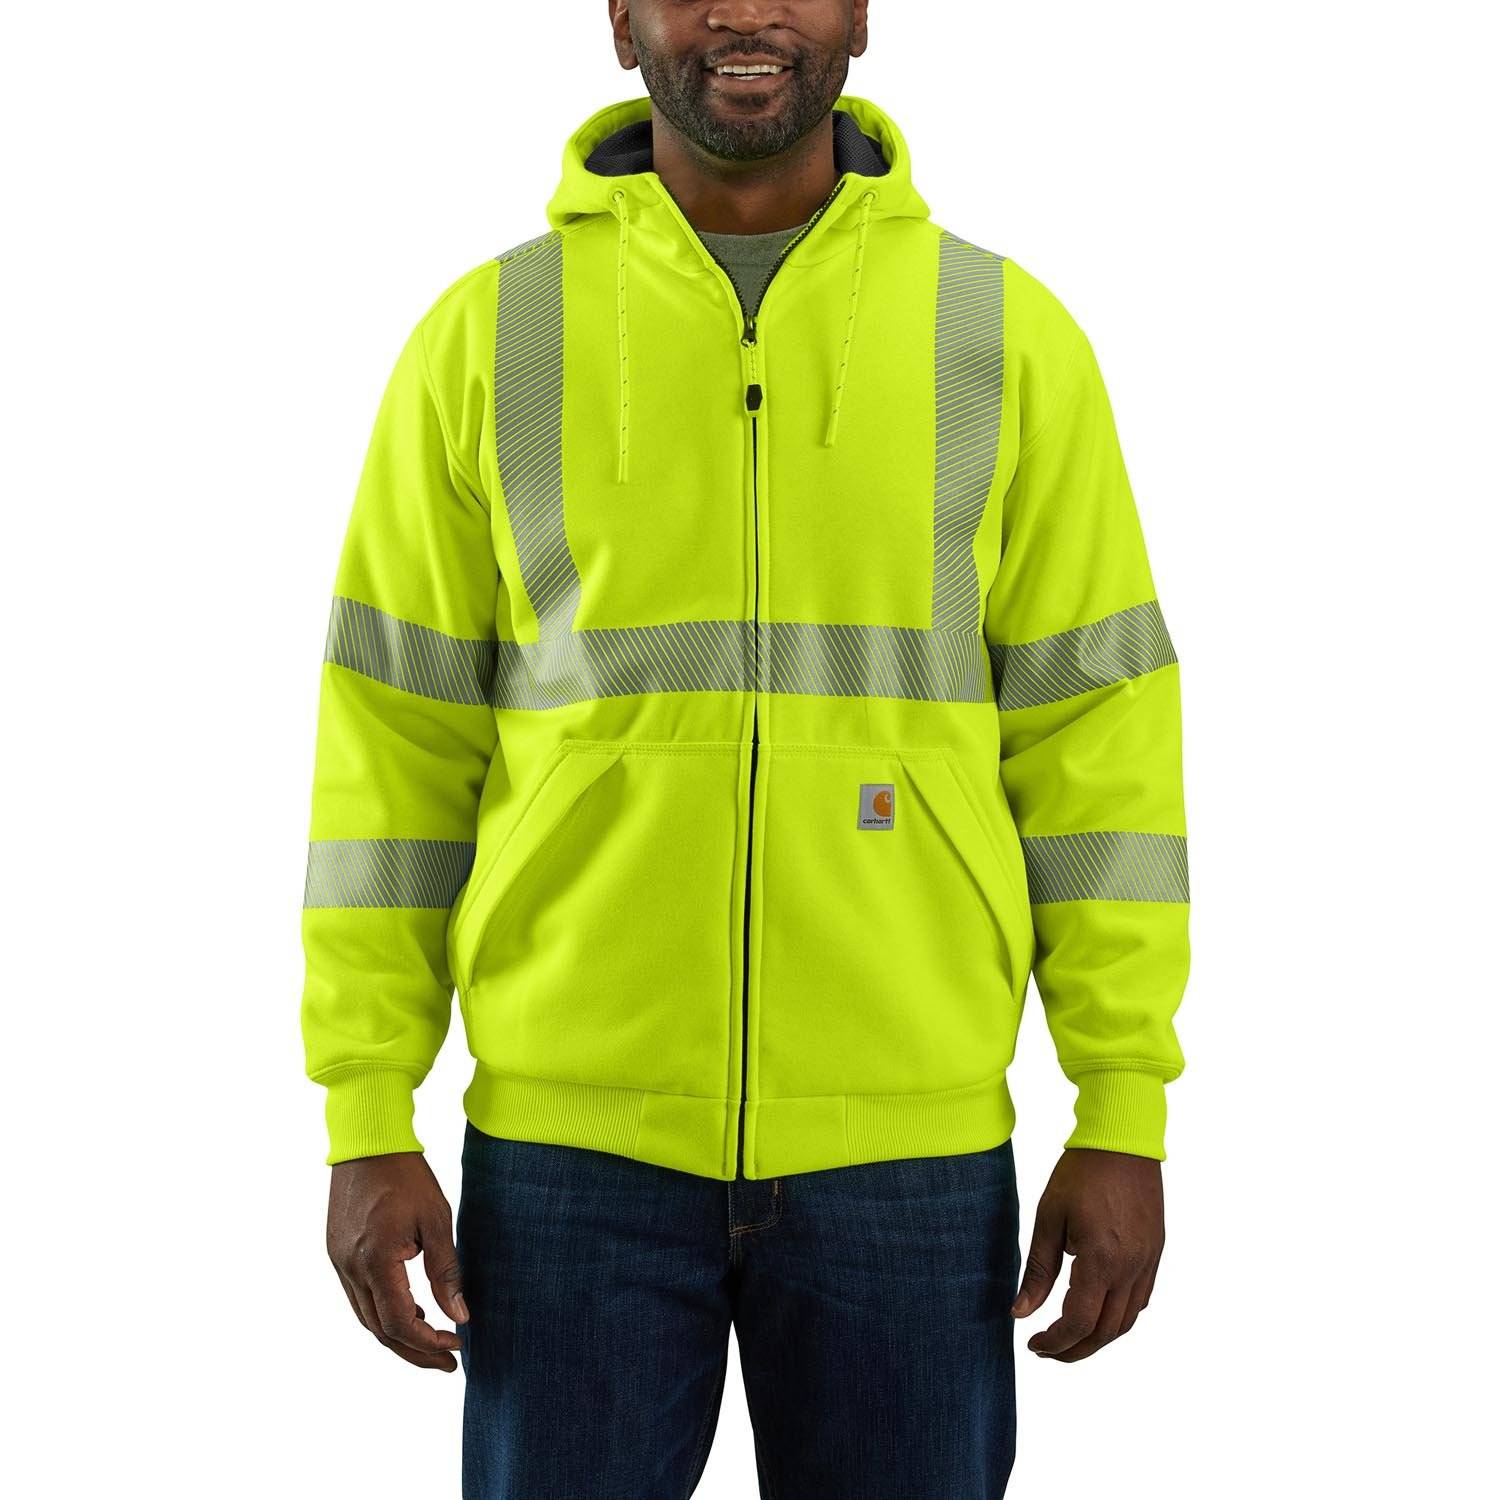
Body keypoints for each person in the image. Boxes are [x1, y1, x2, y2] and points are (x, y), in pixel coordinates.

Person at [301, 2, 1190, 1494]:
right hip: (570, 1151)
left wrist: (1124, 1107)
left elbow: (1098, 735)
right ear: (620, 21)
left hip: (908, 1152)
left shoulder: (1002, 336)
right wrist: (363, 1111)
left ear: (861, 15)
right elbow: (392, 743)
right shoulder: (491, 335)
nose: (747, 11)